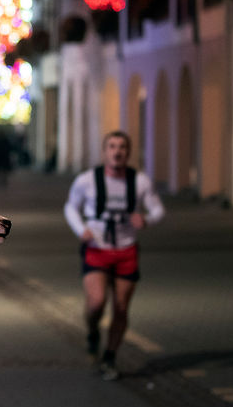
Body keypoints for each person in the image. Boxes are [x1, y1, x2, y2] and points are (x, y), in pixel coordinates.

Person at [63, 131, 164, 380]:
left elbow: (158, 209)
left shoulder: (139, 181)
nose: (117, 151)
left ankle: (109, 357)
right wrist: (81, 229)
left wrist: (146, 220)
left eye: (122, 147)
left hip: (126, 249)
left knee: (121, 307)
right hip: (96, 248)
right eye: (112, 147)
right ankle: (93, 329)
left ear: (128, 153)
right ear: (104, 151)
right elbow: (70, 207)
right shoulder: (87, 180)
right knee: (96, 302)